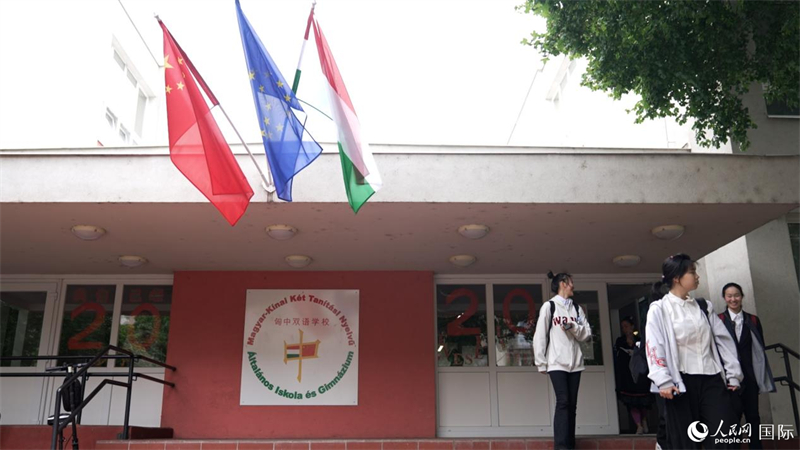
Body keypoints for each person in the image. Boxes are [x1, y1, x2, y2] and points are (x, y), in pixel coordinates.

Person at [645, 254, 743, 449]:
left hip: (712, 378)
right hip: (681, 383)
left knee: (724, 437)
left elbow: (724, 341)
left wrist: (733, 375)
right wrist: (663, 380)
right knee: (686, 442)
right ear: (676, 278)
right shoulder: (660, 309)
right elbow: (654, 346)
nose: (697, 276)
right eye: (692, 272)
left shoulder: (704, 307)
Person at [533, 271, 592, 450]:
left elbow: (587, 335)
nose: (573, 285)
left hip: (576, 364)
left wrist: (573, 327)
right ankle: (561, 446)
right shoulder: (549, 306)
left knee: (572, 405)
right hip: (556, 363)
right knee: (563, 401)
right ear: (563, 283)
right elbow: (540, 335)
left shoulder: (576, 308)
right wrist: (541, 362)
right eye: (571, 282)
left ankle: (569, 444)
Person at [718, 282, 776, 450]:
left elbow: (760, 347)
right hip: (729, 379)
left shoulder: (752, 320)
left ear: (742, 296)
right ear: (724, 298)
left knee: (753, 416)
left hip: (750, 377)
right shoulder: (719, 320)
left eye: (736, 295)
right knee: (732, 417)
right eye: (729, 296)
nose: (733, 299)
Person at [614, 317, 654, 434]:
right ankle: (638, 425)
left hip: (640, 374)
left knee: (643, 400)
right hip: (627, 375)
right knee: (631, 401)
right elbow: (619, 356)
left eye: (626, 326)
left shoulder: (640, 340)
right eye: (623, 327)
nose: (624, 329)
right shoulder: (620, 341)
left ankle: (644, 421)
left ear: (632, 326)